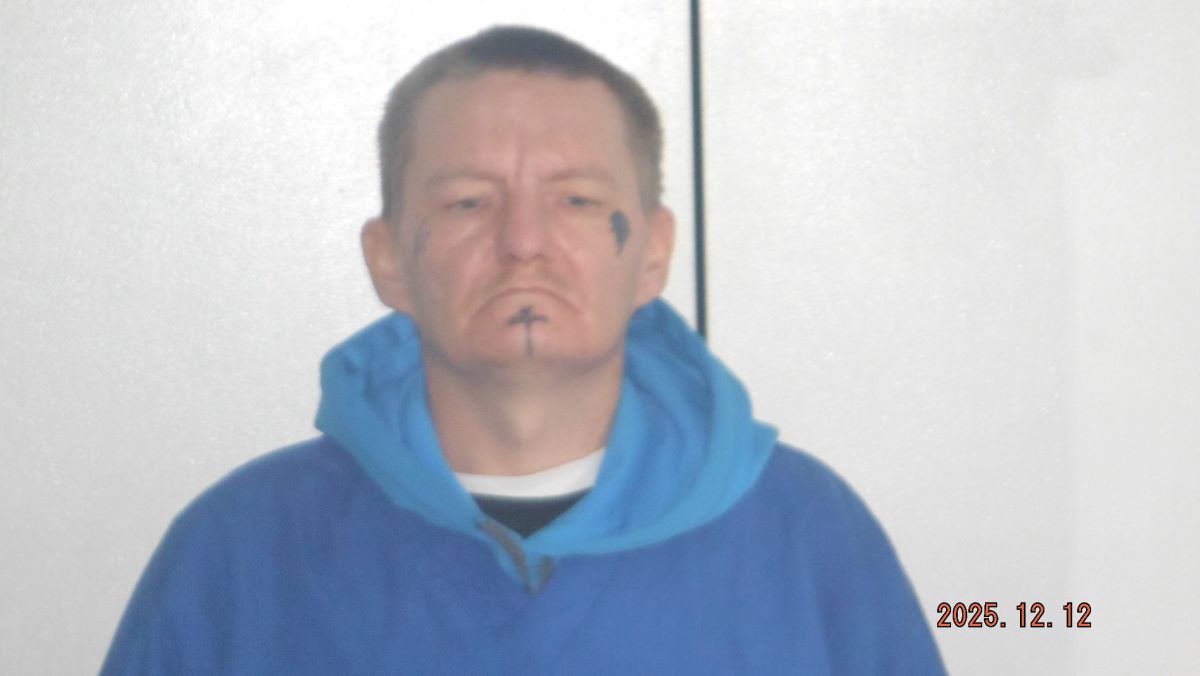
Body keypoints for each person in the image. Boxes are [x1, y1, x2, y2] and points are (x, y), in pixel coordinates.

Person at [101, 26, 945, 675]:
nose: (524, 242)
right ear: (388, 260)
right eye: (469, 203)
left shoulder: (806, 538)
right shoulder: (241, 554)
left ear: (653, 254)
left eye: (575, 200)